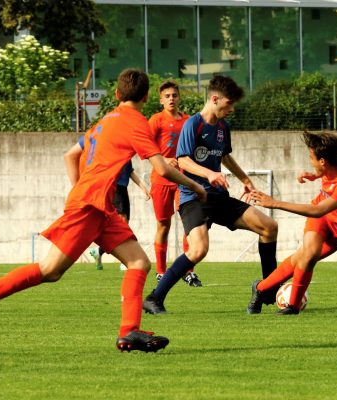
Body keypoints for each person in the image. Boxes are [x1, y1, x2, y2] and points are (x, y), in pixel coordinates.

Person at [0, 69, 207, 353]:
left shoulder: (104, 122)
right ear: (147, 96)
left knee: (138, 263)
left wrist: (81, 187)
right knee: (50, 271)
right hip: (89, 206)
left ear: (117, 94)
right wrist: (195, 186)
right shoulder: (136, 123)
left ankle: (129, 332)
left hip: (100, 208)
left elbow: (70, 154)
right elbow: (161, 168)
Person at [142, 75, 278, 314]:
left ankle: (266, 289)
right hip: (194, 197)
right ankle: (154, 298)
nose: (232, 109)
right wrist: (209, 174)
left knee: (269, 226)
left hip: (218, 197)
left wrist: (245, 179)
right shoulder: (193, 124)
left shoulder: (223, 127)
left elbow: (225, 156)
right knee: (198, 250)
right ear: (215, 99)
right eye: (229, 104)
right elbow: (183, 160)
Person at [247, 131, 337, 315]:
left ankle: (261, 288)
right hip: (322, 217)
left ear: (323, 161)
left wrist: (274, 203)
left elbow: (318, 210)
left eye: (311, 158)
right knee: (310, 255)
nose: (310, 161)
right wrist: (316, 175)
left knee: (300, 258)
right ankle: (293, 307)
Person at [64, 138, 150, 270]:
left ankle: (98, 252)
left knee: (122, 223)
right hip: (113, 188)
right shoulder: (110, 147)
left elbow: (130, 171)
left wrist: (143, 187)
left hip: (123, 190)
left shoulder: (127, 151)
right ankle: (127, 259)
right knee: (122, 222)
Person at [148, 81, 201, 286]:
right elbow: (145, 147)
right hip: (161, 180)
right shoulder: (156, 120)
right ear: (161, 100)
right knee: (163, 224)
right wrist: (162, 158)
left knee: (190, 226)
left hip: (184, 180)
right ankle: (161, 272)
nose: (171, 98)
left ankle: (189, 271)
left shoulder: (189, 121)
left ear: (179, 98)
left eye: (174, 95)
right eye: (167, 96)